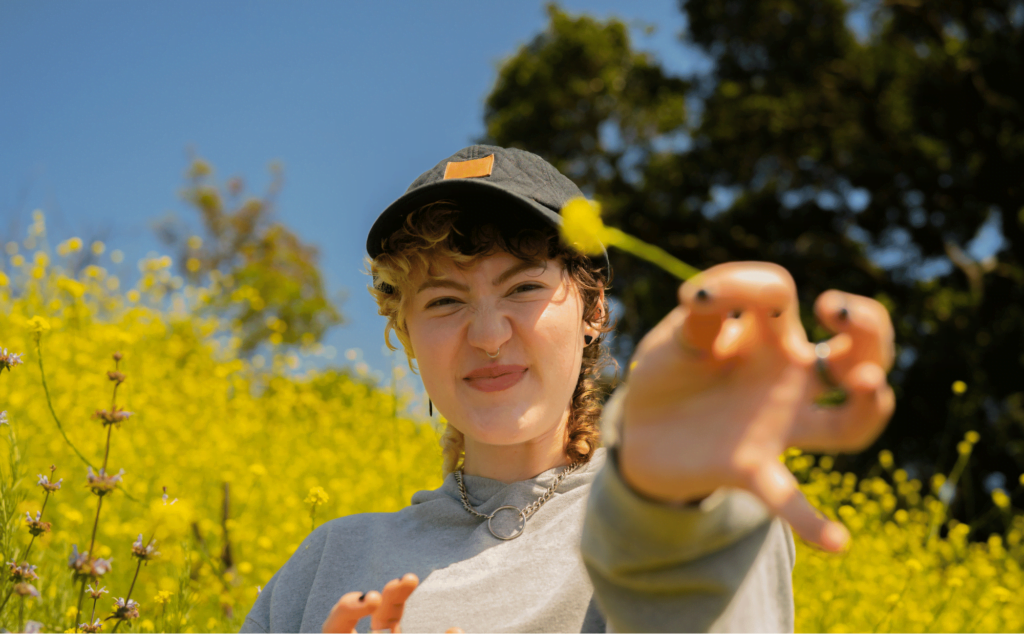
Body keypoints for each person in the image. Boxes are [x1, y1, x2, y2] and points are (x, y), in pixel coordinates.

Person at [239, 145, 895, 633]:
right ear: (405, 334)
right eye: (443, 301)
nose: (490, 334)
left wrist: (673, 501)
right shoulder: (321, 568)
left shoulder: (676, 502)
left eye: (524, 287)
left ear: (593, 310)